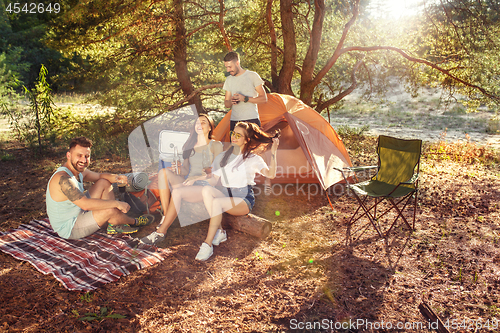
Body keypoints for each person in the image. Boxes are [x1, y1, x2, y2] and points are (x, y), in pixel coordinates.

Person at [195, 122, 280, 261]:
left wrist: (274, 153)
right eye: (233, 133)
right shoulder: (223, 156)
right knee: (206, 190)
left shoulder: (253, 159)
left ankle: (207, 244)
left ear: (246, 140)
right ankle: (221, 232)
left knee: (216, 203)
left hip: (243, 199)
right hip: (226, 195)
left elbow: (270, 174)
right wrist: (197, 179)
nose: (233, 137)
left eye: (238, 135)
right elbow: (213, 180)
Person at [46, 137, 154, 239]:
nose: (83, 160)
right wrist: (116, 204)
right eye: (79, 155)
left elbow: (99, 176)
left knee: (103, 183)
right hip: (70, 227)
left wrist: (117, 178)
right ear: (68, 155)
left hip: (78, 211)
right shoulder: (64, 179)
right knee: (110, 208)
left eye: (87, 156)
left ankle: (113, 223)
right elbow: (85, 204)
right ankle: (134, 221)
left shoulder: (78, 171)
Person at [141, 114, 223, 245]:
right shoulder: (190, 145)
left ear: (210, 127)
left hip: (204, 184)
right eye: (197, 123)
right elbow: (185, 170)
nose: (199, 125)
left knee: (177, 192)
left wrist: (195, 178)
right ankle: (166, 216)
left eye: (203, 123)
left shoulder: (215, 145)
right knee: (163, 172)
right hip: (189, 182)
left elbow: (216, 172)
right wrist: (177, 169)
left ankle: (161, 232)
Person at [223, 51, 268, 131]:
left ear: (237, 63)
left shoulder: (252, 76)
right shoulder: (229, 80)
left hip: (252, 120)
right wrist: (231, 101)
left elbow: (264, 99)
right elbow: (226, 103)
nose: (228, 70)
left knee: (253, 144)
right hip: (235, 122)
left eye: (230, 67)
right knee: (235, 144)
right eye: (226, 67)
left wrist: (245, 99)